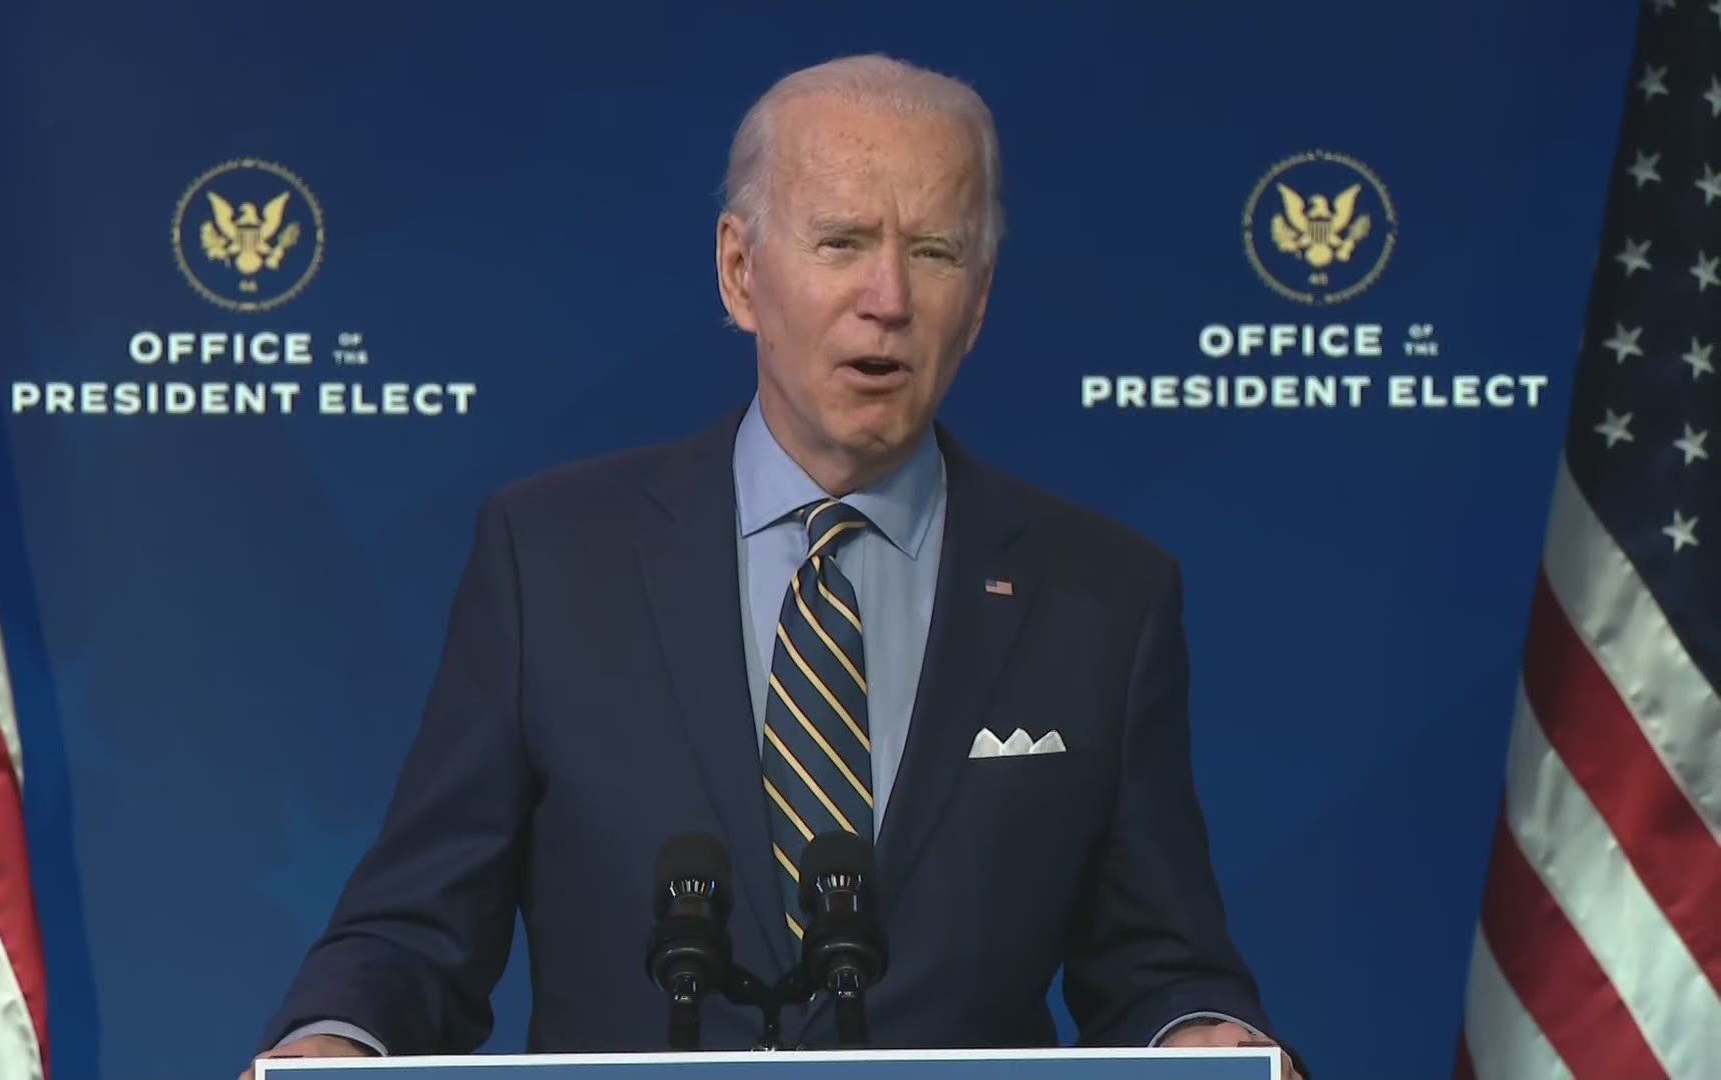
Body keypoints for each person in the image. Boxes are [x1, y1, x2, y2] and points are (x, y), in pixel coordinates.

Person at [241, 53, 1303, 1080]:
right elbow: (419, 926)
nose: (887, 297)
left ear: (977, 303)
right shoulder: (551, 560)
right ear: (741, 271)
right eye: (843, 242)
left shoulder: (1102, 597)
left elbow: (1160, 963)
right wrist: (333, 1047)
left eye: (934, 252)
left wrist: (1206, 1042)